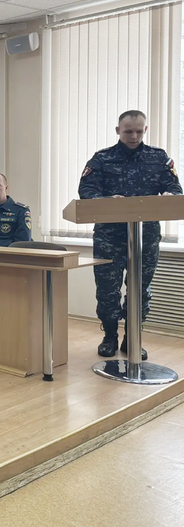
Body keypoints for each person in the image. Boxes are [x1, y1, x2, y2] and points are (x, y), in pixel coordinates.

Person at [78, 110, 182, 360]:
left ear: (145, 130)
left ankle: (133, 337)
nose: (134, 136)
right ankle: (110, 336)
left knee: (140, 290)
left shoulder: (158, 158)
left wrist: (169, 196)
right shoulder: (102, 159)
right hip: (109, 237)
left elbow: (175, 188)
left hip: (146, 236)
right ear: (118, 131)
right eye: (128, 131)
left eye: (138, 131)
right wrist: (106, 201)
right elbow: (87, 190)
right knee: (108, 290)